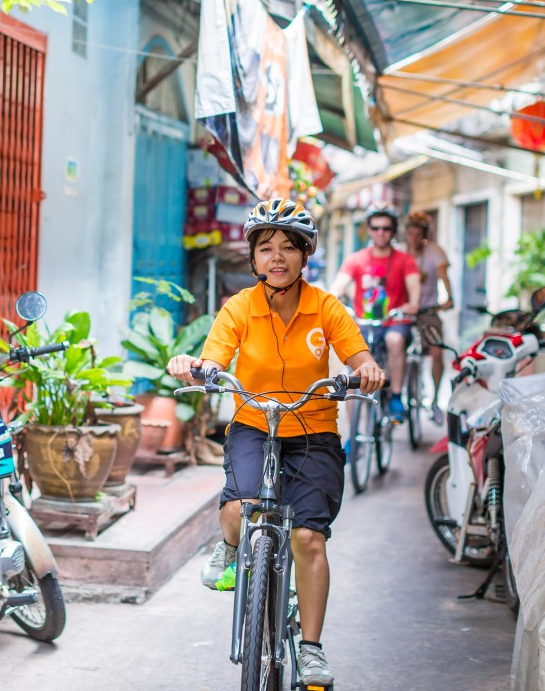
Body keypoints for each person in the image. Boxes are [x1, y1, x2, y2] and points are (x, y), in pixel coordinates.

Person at [166, 198, 387, 688]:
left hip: (314, 430)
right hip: (254, 424)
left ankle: (310, 648)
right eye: (266, 248)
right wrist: (193, 367)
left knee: (308, 537)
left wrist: (368, 369)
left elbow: (359, 355)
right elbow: (213, 360)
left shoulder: (325, 307)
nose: (277, 257)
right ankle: (230, 551)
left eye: (289, 246)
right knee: (236, 508)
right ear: (253, 258)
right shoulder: (238, 308)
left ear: (306, 255)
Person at [328, 204, 420, 423]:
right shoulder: (356, 259)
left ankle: (396, 397)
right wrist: (335, 304)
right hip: (364, 324)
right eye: (375, 228)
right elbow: (336, 290)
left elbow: (414, 295)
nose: (380, 233)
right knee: (352, 372)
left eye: (386, 228)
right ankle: (352, 434)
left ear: (393, 231)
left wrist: (410, 306)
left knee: (394, 340)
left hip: (394, 322)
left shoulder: (405, 260)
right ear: (369, 229)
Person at [403, 211, 454, 417]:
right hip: (403, 312)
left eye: (418, 234)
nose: (414, 239)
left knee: (436, 352)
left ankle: (434, 400)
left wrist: (448, 299)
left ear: (425, 235)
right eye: (410, 234)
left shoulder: (434, 252)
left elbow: (444, 278)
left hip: (428, 311)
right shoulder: (399, 253)